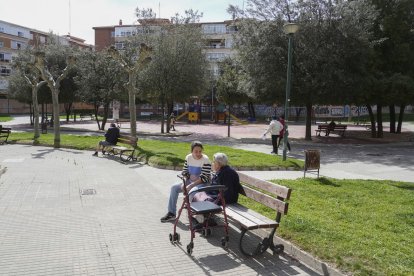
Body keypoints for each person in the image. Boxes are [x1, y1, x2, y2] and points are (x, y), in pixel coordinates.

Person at [160, 141, 211, 223]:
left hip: (202, 183)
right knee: (174, 187)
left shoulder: (205, 160)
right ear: (192, 151)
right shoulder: (188, 157)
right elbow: (185, 172)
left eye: (200, 151)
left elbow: (204, 178)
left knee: (192, 190)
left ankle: (193, 214)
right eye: (196, 151)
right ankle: (171, 213)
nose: (198, 153)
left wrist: (190, 186)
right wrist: (184, 183)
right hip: (190, 181)